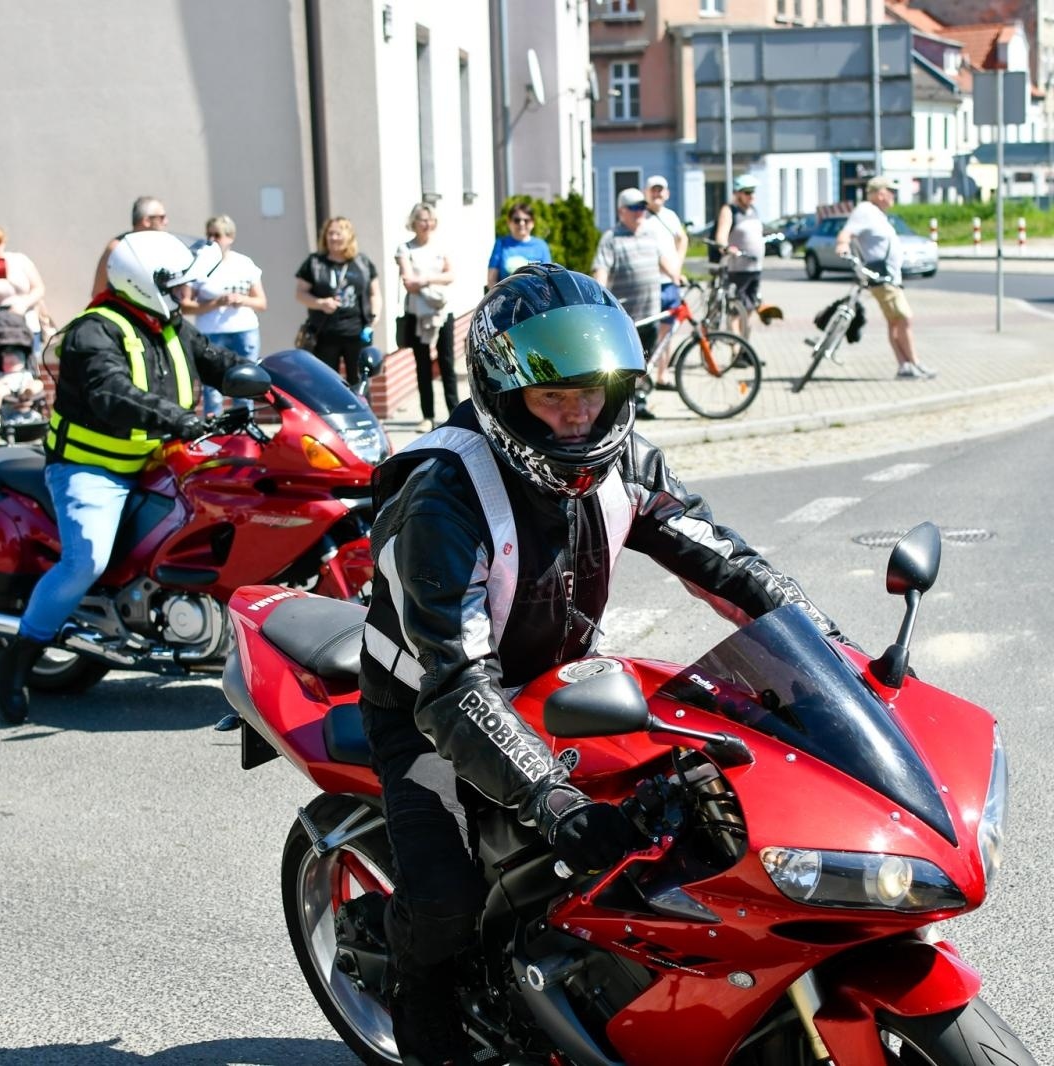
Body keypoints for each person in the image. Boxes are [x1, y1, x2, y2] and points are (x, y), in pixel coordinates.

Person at [357, 263, 849, 1066]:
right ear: (504, 396)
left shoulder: (625, 461)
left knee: (692, 817)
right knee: (446, 902)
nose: (580, 416)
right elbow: (452, 681)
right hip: (425, 710)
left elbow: (724, 565)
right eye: (555, 399)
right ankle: (423, 1012)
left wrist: (832, 647)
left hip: (555, 683)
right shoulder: (443, 496)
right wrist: (550, 797)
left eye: (595, 393)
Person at [0, 231, 243, 724]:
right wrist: (179, 418)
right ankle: (17, 659)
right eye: (175, 285)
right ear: (144, 282)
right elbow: (113, 394)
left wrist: (268, 381)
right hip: (93, 469)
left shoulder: (168, 323)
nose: (184, 294)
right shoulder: (93, 331)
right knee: (86, 560)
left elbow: (219, 363)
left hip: (158, 460)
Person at [835, 177, 935, 379]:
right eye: (891, 191)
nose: (893, 196)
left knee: (895, 322)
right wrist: (842, 245)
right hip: (882, 278)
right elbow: (846, 233)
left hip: (889, 277)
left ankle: (904, 365)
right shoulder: (865, 210)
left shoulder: (877, 214)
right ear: (880, 193)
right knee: (905, 318)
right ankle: (913, 362)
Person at [593, 189, 680, 420]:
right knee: (625, 364)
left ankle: (638, 403)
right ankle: (619, 408)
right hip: (626, 317)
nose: (640, 212)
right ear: (622, 211)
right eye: (634, 208)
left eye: (642, 207)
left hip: (650, 312)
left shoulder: (650, 233)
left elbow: (661, 259)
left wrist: (675, 275)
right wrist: (598, 297)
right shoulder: (611, 238)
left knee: (643, 361)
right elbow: (601, 269)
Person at [181, 215, 267, 416]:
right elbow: (185, 305)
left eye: (217, 235)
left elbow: (261, 302)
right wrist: (214, 303)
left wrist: (242, 300)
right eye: (209, 234)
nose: (212, 239)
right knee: (211, 389)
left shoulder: (244, 263)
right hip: (212, 333)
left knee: (246, 382)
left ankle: (244, 427)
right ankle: (214, 430)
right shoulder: (199, 265)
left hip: (244, 331)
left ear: (230, 237)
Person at [295, 216, 380, 388]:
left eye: (338, 233)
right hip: (325, 334)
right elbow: (300, 294)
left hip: (357, 333)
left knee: (359, 382)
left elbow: (375, 293)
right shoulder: (315, 263)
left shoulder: (362, 263)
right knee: (327, 383)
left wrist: (374, 317)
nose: (333, 238)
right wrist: (320, 303)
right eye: (330, 233)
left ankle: (360, 414)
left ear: (349, 236)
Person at [396, 203, 457, 433]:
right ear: (413, 222)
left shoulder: (441, 247)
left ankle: (453, 411)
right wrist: (433, 279)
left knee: (447, 362)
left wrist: (424, 280)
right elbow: (408, 282)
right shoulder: (405, 249)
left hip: (443, 312)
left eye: (429, 219)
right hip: (418, 314)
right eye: (422, 219)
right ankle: (427, 415)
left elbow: (451, 275)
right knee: (422, 364)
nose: (426, 223)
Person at [637, 175, 688, 388]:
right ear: (646, 193)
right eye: (653, 190)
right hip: (652, 282)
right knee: (649, 332)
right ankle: (642, 377)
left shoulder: (670, 216)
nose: (657, 194)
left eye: (661, 190)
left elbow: (683, 238)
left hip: (670, 282)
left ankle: (662, 374)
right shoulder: (642, 217)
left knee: (668, 330)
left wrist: (677, 266)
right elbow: (650, 253)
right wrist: (673, 271)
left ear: (666, 193)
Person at [0, 223, 48, 358]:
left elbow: (39, 288)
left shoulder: (20, 260)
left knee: (31, 365)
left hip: (26, 322)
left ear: (3, 242)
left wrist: (23, 305)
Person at [714, 174, 764, 336]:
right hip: (737, 269)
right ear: (737, 193)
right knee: (736, 310)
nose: (752, 196)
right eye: (748, 192)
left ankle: (744, 349)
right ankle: (736, 349)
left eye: (753, 192)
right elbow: (721, 236)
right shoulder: (729, 211)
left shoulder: (754, 211)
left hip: (755, 268)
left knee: (749, 308)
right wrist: (727, 248)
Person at [92, 195, 169, 298]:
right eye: (162, 217)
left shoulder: (163, 249)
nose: (166, 222)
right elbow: (98, 291)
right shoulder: (118, 248)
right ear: (146, 221)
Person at [485, 202, 552, 289]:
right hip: (507, 299)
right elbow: (491, 280)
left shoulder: (541, 246)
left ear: (532, 223)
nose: (521, 223)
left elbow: (549, 278)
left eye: (526, 220)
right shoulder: (501, 244)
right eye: (517, 220)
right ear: (509, 222)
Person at [0, 348, 45, 433]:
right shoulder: (2, 375)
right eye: (5, 363)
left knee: (37, 383)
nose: (7, 365)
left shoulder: (25, 373)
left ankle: (27, 393)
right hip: (8, 393)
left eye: (11, 363)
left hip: (24, 391)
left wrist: (29, 390)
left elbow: (32, 381)